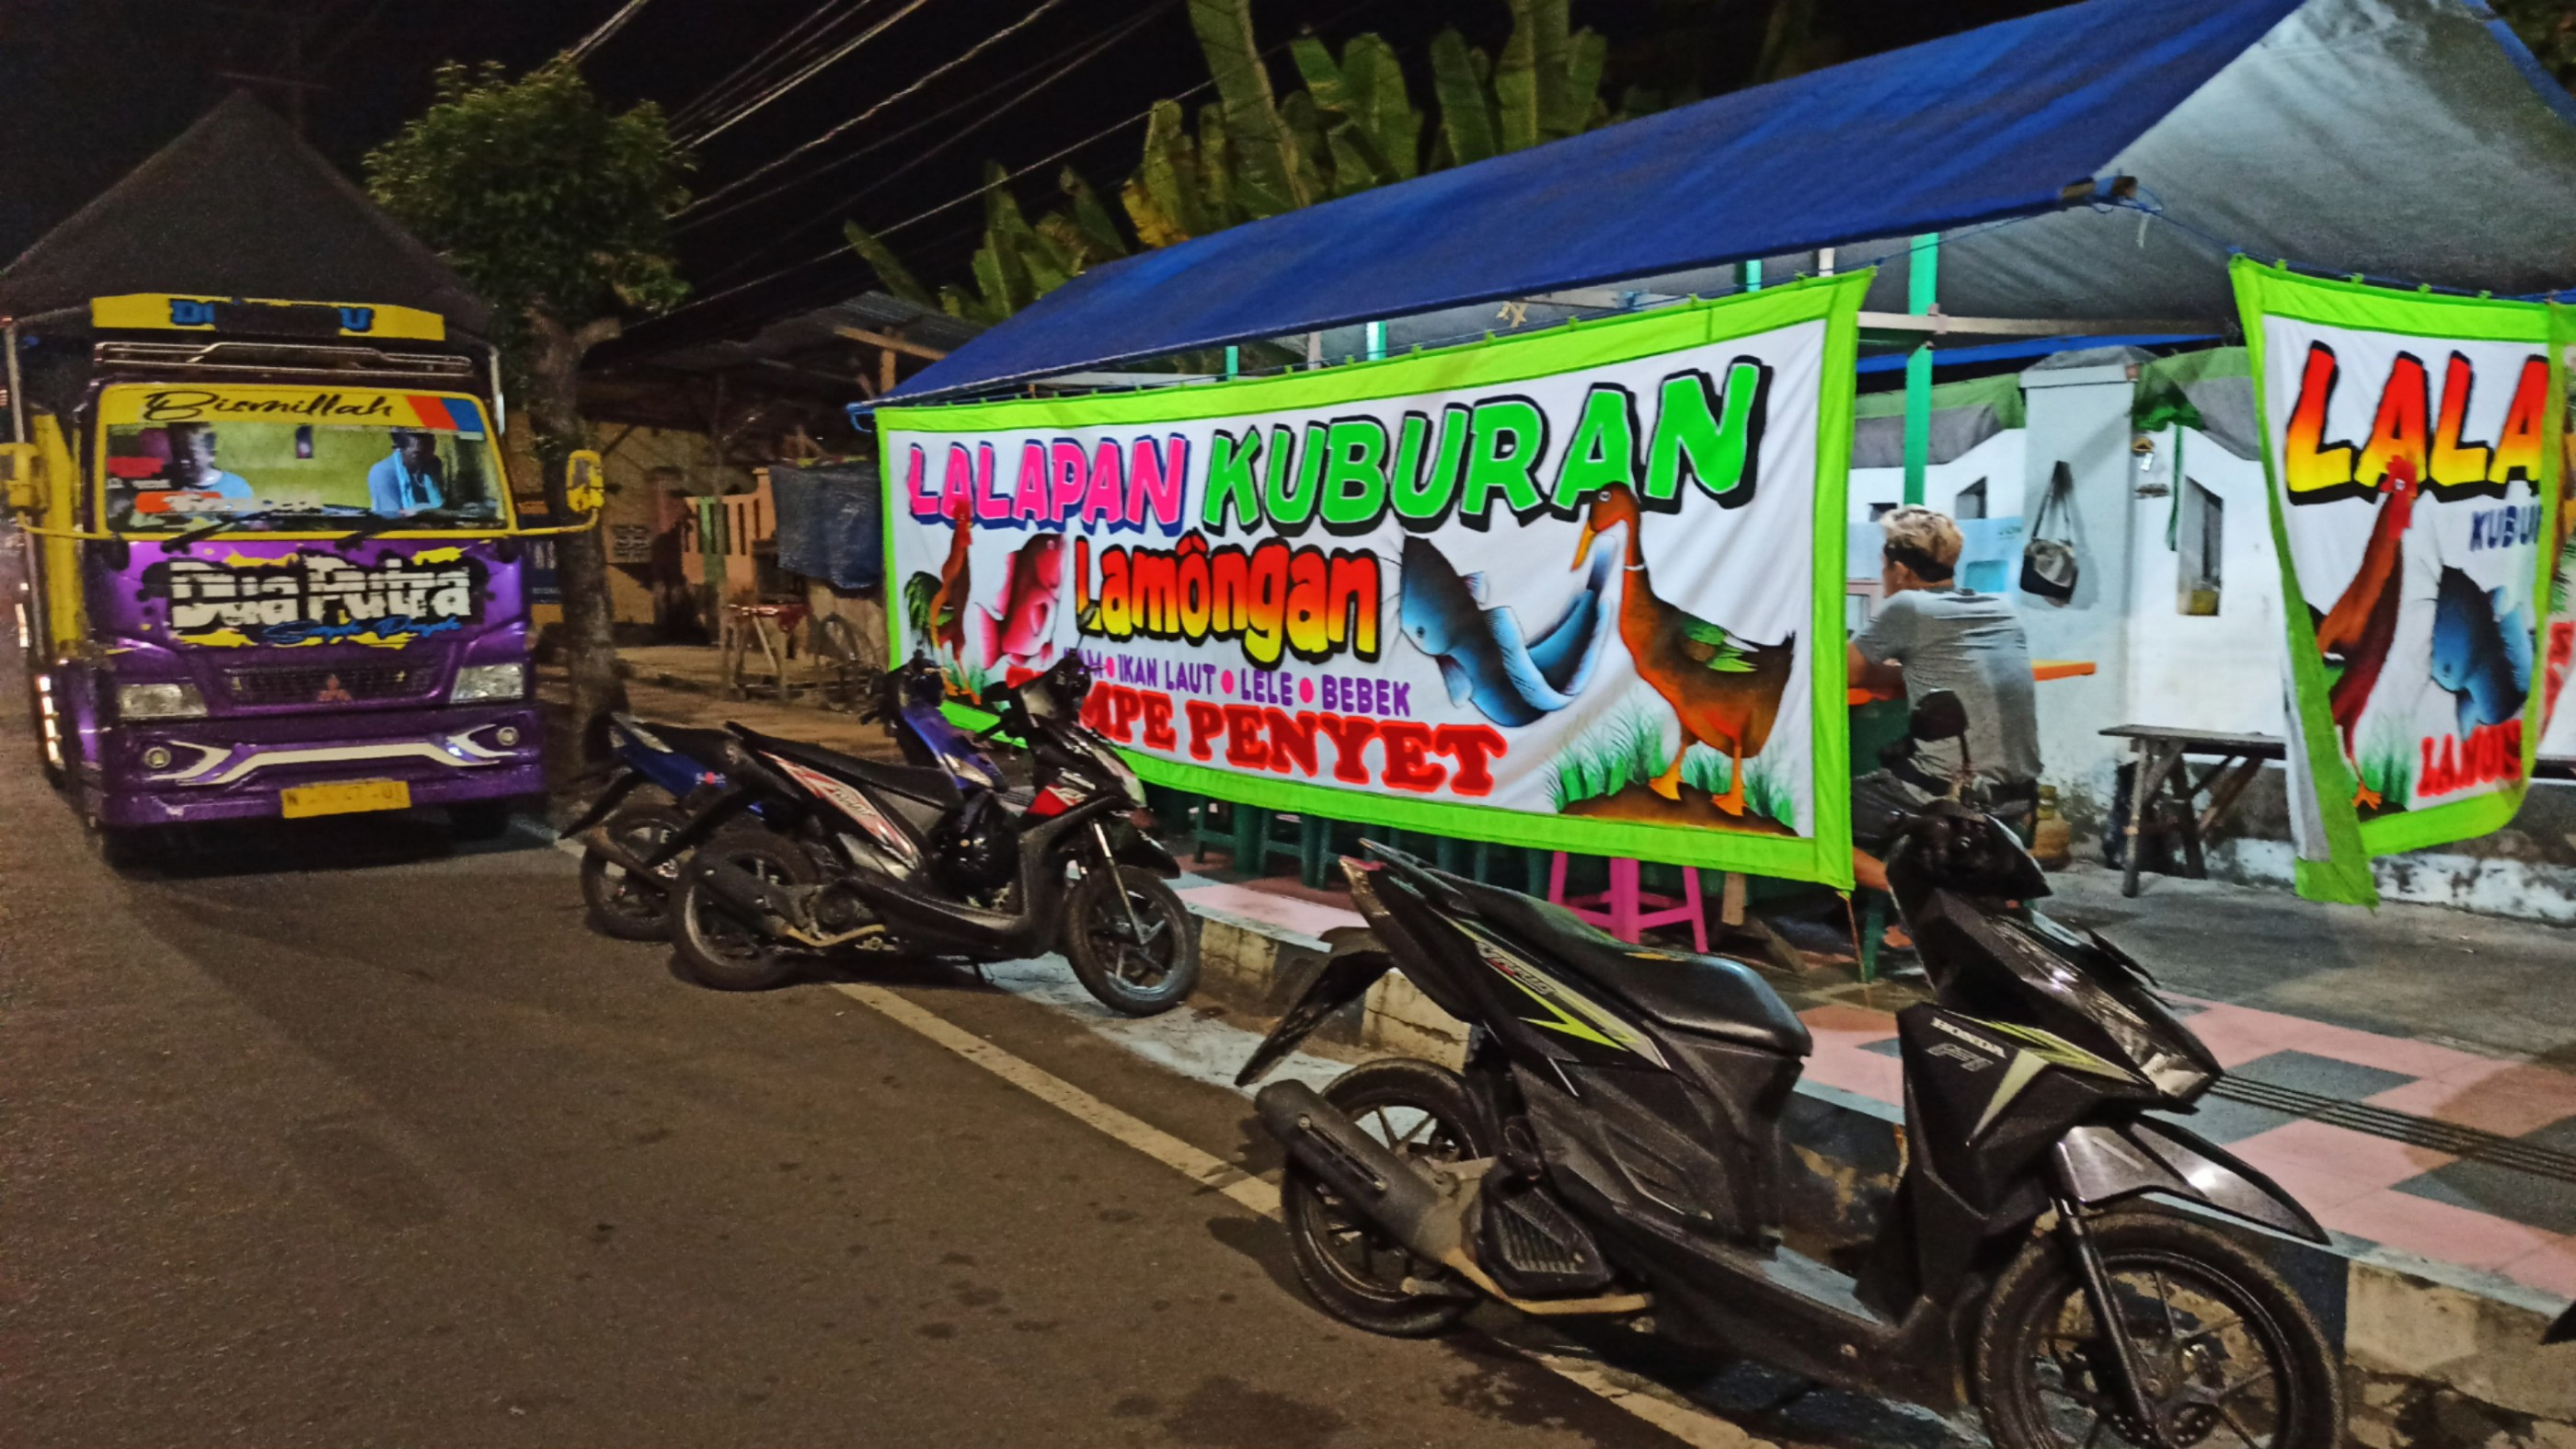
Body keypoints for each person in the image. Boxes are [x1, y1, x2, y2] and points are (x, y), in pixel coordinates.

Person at [1846, 506, 2042, 895]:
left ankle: (1926, 894)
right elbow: (1943, 672)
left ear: (1900, 569)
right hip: (2019, 798)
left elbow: (1848, 672)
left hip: (1949, 804)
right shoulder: (2000, 609)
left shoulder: (1909, 607)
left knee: (1807, 813)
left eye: (1884, 566)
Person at [163, 423, 252, 500]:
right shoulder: (167, 483)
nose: (183, 461)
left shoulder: (234, 487)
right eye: (177, 453)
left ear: (211, 454)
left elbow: (247, 518)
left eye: (191, 454)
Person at [368, 430, 445, 514]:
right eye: (417, 454)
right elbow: (391, 517)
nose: (426, 457)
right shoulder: (383, 472)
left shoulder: (433, 465)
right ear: (397, 448)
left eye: (430, 451)